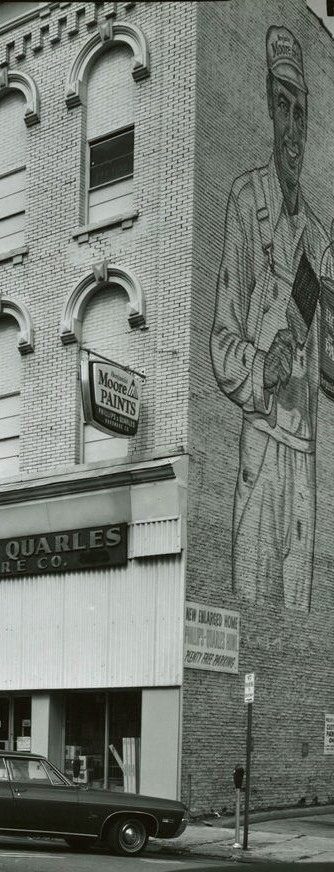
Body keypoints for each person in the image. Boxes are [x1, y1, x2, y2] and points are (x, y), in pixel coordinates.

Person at [210, 25, 331, 612]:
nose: (294, 129)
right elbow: (219, 342)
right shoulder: (244, 202)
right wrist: (263, 365)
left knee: (298, 613)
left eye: (302, 112)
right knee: (252, 608)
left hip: (305, 458)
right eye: (282, 107)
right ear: (267, 107)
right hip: (261, 447)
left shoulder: (319, 237)